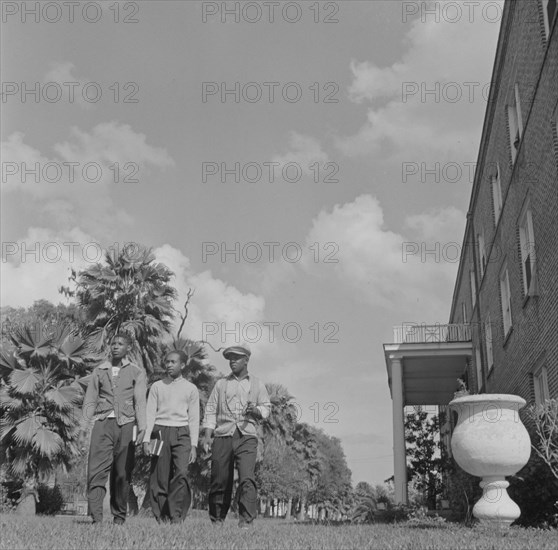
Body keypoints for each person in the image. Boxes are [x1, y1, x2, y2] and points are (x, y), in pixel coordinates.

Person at [80, 333, 146, 524]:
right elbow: (90, 399)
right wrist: (84, 426)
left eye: (120, 344)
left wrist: (142, 426)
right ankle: (96, 517)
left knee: (122, 473)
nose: (116, 346)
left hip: (126, 424)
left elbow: (140, 400)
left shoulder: (136, 372)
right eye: (113, 343)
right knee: (96, 470)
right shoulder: (99, 370)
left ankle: (119, 518)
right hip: (102, 424)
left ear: (128, 348)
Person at [201, 342, 270, 528]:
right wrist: (207, 435)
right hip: (223, 434)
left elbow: (266, 409)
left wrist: (255, 410)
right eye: (230, 358)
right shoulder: (221, 384)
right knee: (219, 479)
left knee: (247, 478)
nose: (232, 361)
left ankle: (246, 521)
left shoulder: (257, 384)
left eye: (236, 358)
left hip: (247, 435)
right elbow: (210, 410)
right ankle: (217, 520)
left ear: (246, 360)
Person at [143, 350, 200, 523]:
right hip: (159, 432)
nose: (169, 365)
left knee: (182, 473)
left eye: (173, 362)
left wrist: (194, 445)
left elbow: (194, 418)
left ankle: (176, 515)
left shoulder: (191, 389)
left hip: (182, 433)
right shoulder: (157, 386)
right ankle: (162, 517)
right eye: (167, 362)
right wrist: (146, 439)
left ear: (182, 365)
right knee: (159, 476)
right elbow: (150, 414)